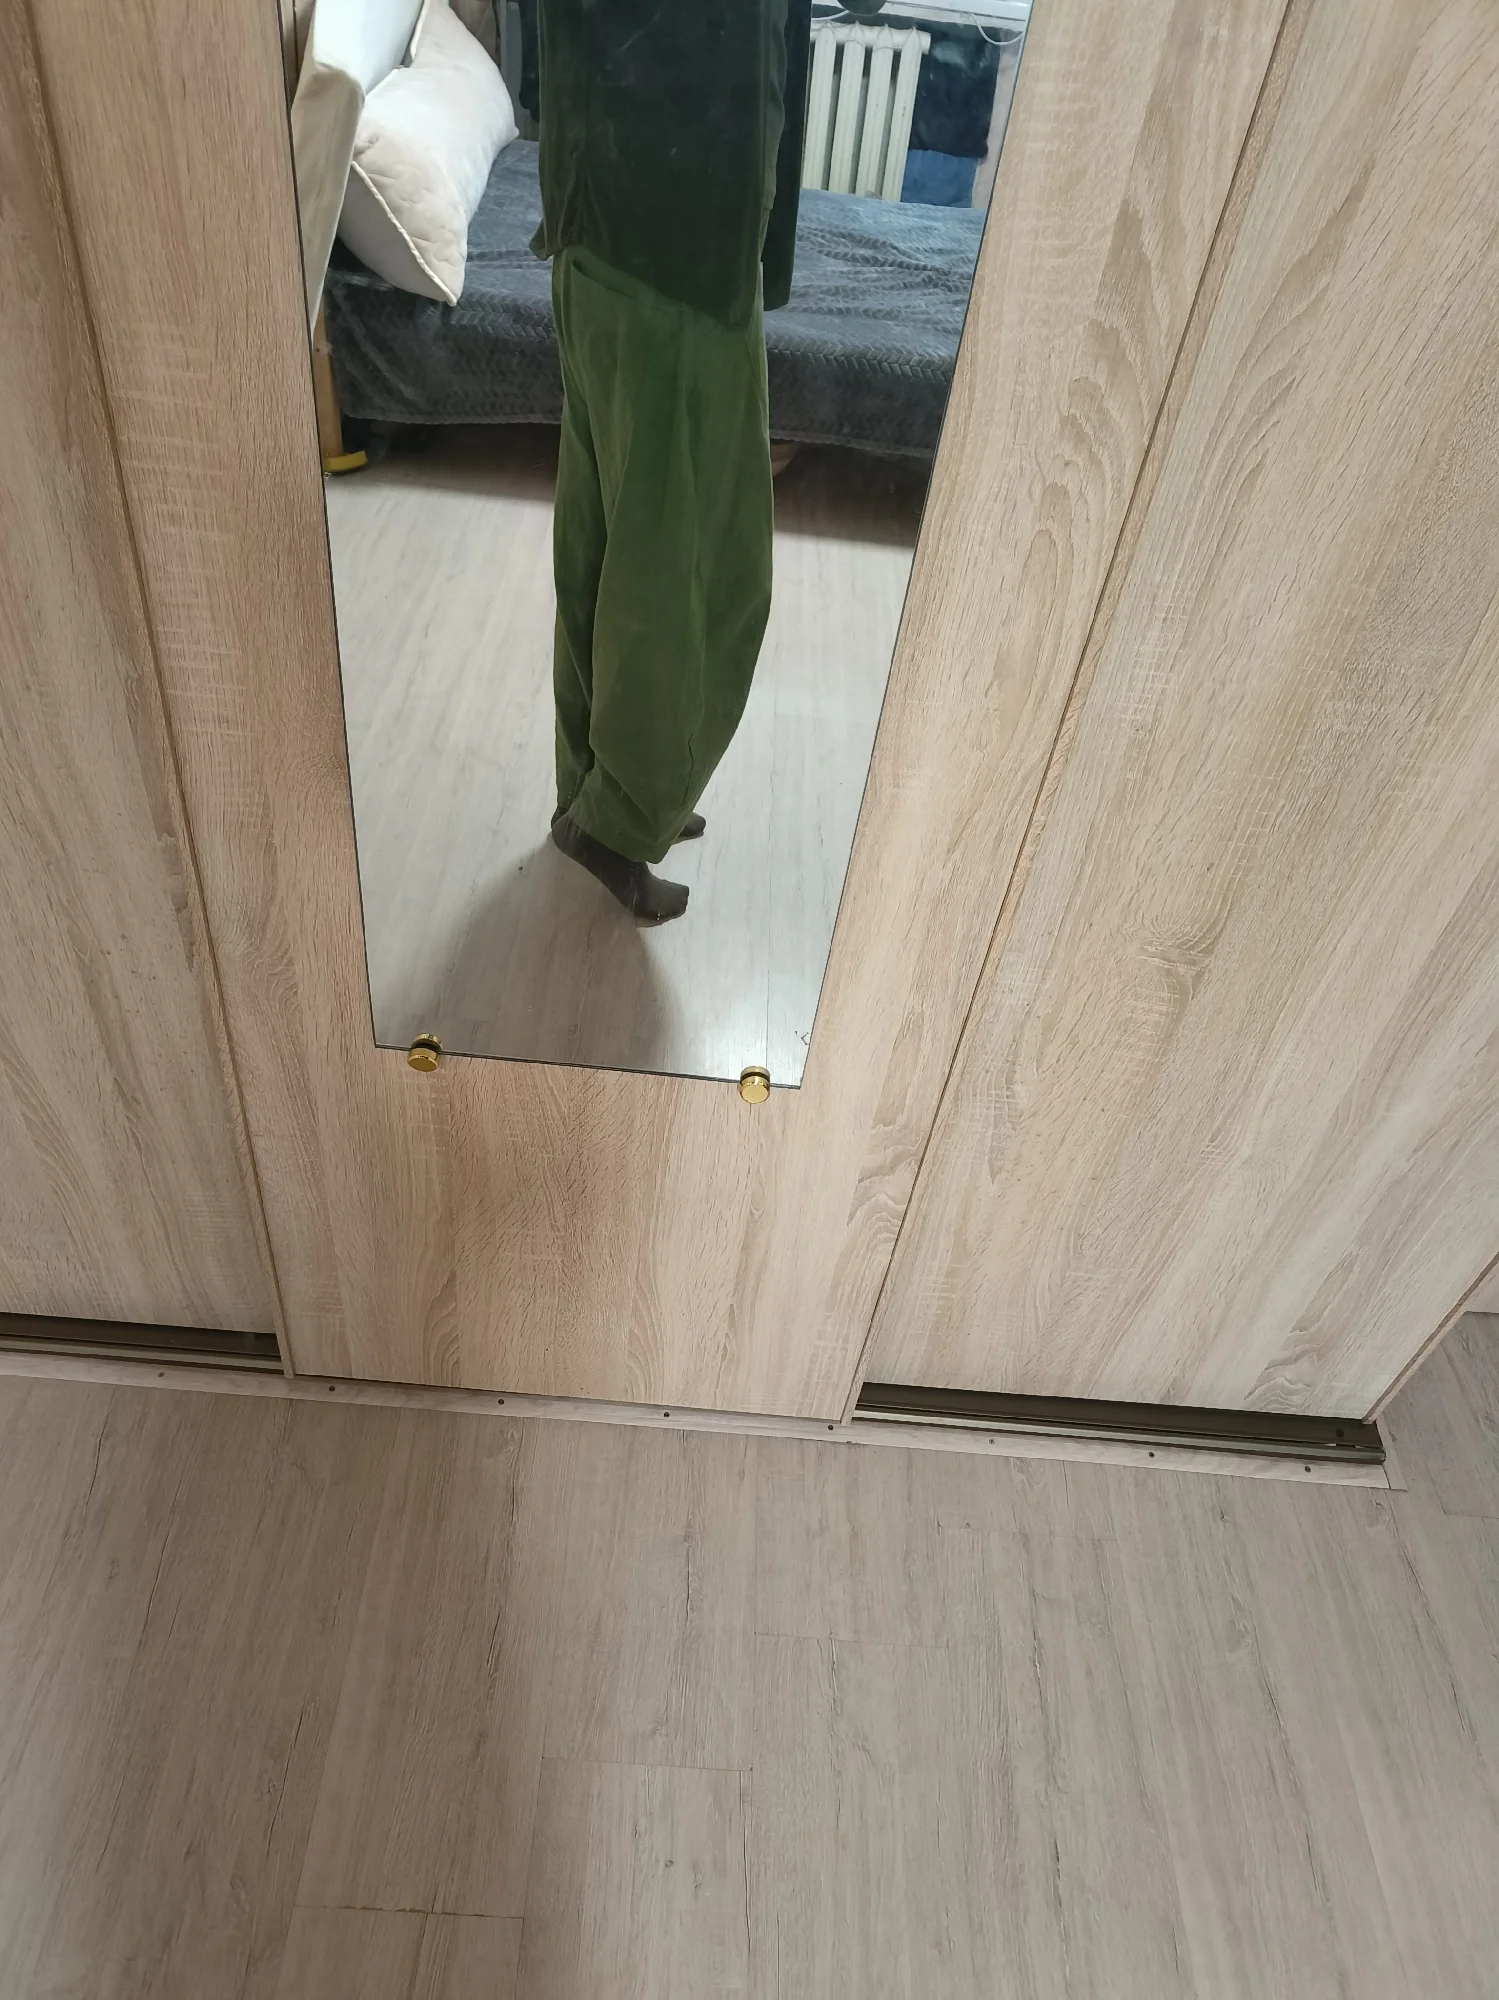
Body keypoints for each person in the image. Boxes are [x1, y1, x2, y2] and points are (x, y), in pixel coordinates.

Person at [531, 0, 816, 923]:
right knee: (691, 573)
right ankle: (617, 820)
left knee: (607, 537)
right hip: (672, 247)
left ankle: (596, 792)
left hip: (613, 223)